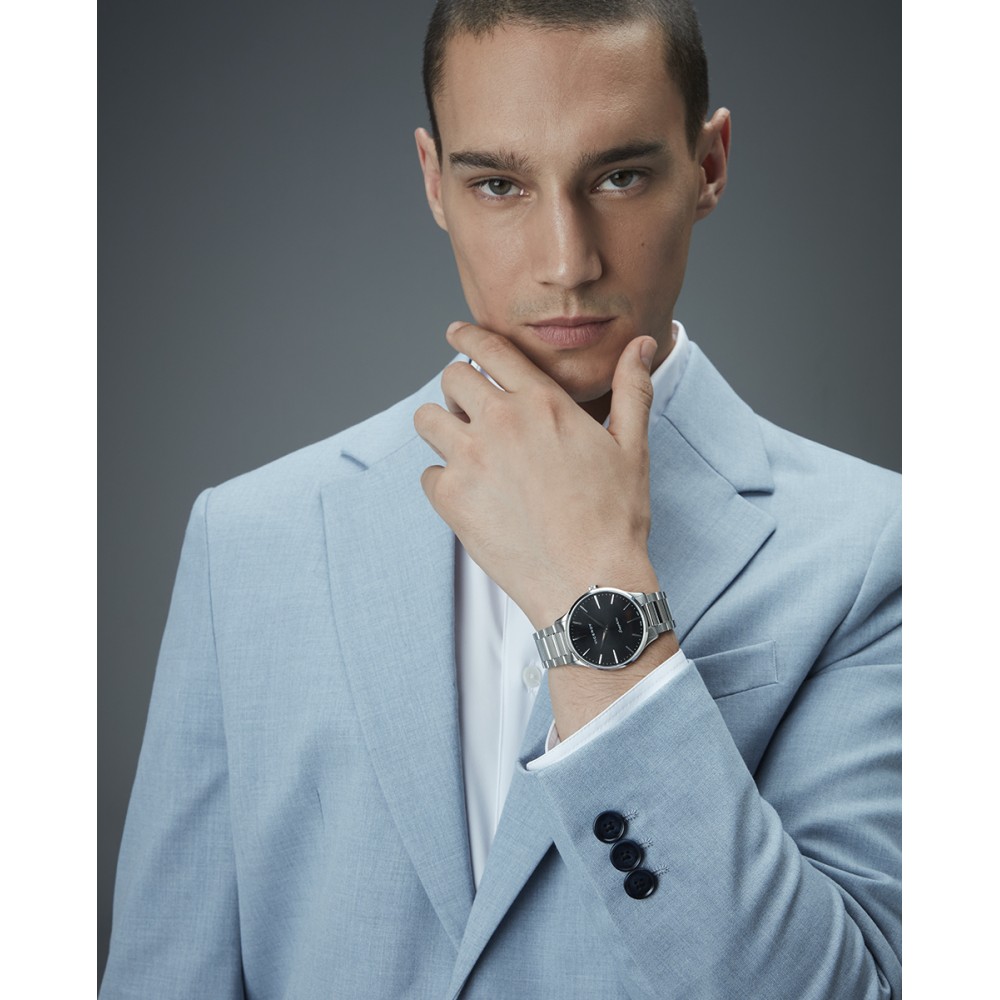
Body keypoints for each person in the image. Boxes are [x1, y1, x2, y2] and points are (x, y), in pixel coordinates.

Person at [101, 1, 901, 997]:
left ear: (709, 165)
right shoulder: (250, 542)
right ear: (434, 180)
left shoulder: (881, 550)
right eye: (499, 183)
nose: (567, 260)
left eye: (619, 175)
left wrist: (596, 600)